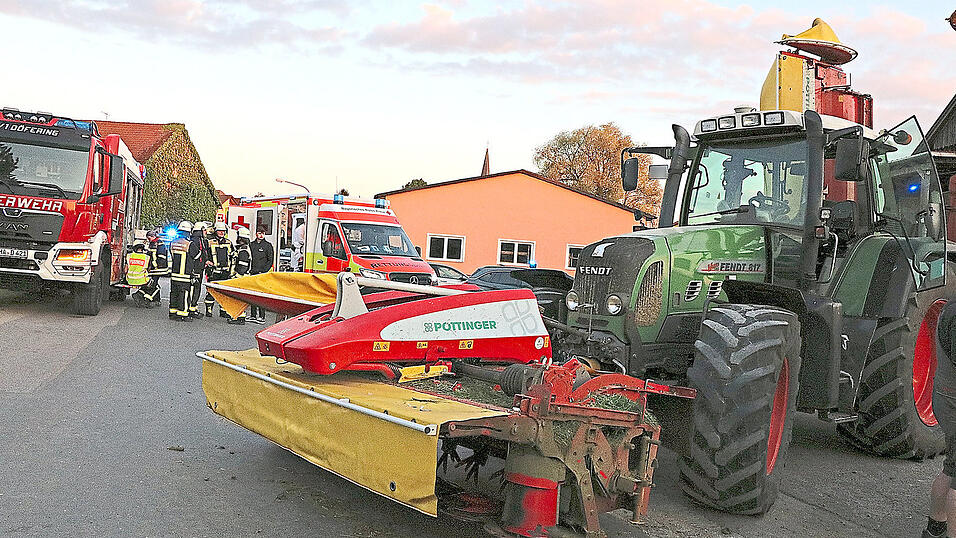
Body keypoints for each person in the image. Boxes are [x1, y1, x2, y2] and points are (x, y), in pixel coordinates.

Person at [927, 301, 956, 538]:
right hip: (953, 402)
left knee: (951, 468)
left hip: (946, 399)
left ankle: (934, 531)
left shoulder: (951, 307)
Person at [203, 221, 234, 318]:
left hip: (225, 271)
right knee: (211, 291)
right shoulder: (209, 242)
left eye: (223, 231)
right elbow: (204, 254)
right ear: (215, 231)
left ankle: (223, 311)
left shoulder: (228, 242)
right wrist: (207, 261)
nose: (221, 233)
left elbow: (233, 255)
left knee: (224, 292)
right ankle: (209, 310)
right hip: (213, 271)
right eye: (220, 231)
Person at [168, 221, 194, 321]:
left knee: (174, 293)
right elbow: (197, 255)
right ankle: (183, 314)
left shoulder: (172, 243)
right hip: (185, 275)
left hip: (174, 274)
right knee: (184, 294)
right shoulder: (189, 244)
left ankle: (172, 312)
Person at [227, 226, 253, 325]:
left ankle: (239, 317)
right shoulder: (243, 248)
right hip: (241, 277)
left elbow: (242, 267)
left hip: (241, 278)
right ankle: (239, 316)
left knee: (238, 299)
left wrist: (235, 277)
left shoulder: (243, 251)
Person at [249, 227, 274, 323]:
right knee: (252, 295)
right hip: (252, 273)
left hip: (262, 274)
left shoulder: (267, 246)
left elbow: (270, 260)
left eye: (263, 233)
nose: (261, 235)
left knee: (260, 296)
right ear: (256, 234)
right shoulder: (251, 245)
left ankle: (262, 316)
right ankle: (253, 315)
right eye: (259, 233)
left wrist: (263, 271)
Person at [187, 221, 211, 319]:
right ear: (200, 230)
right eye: (204, 230)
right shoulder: (196, 241)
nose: (206, 232)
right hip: (196, 268)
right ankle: (192, 309)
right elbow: (197, 255)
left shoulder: (201, 240)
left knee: (195, 288)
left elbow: (204, 253)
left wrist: (206, 261)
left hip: (199, 268)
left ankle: (193, 307)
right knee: (194, 288)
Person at [125, 231, 152, 308]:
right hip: (142, 280)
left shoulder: (129, 256)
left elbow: (125, 270)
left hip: (129, 280)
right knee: (153, 285)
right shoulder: (146, 257)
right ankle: (143, 297)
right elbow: (148, 269)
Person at [145, 229, 169, 304]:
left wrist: (157, 266)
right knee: (153, 283)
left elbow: (161, 256)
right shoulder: (153, 243)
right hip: (154, 268)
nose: (148, 240)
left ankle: (150, 298)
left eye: (149, 238)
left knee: (153, 283)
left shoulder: (159, 243)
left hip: (158, 268)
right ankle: (157, 300)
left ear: (153, 236)